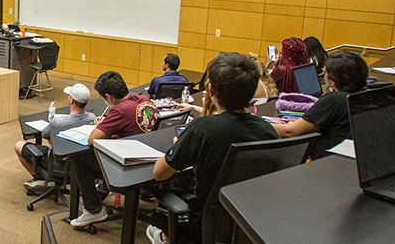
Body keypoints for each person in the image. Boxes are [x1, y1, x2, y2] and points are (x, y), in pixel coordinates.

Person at [146, 52, 277, 243]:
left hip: (203, 222)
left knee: (154, 222)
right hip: (247, 220)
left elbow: (159, 173)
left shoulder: (203, 129)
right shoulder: (267, 130)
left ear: (210, 89)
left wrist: (179, 146)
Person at [67, 71, 158, 227]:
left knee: (79, 157)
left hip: (130, 167)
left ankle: (94, 210)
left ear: (108, 97)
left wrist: (103, 126)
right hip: (151, 159)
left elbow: (92, 139)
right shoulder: (144, 100)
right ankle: (103, 189)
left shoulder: (119, 111)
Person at [271, 51, 368, 159]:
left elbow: (290, 131)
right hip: (347, 157)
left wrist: (263, 126)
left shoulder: (334, 100)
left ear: (333, 80)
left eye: (325, 72)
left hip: (327, 161)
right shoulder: (363, 95)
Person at [14, 83, 95, 188]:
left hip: (56, 162)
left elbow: (45, 134)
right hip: (78, 164)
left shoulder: (58, 121)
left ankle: (39, 178)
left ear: (71, 100)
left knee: (18, 145)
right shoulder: (92, 118)